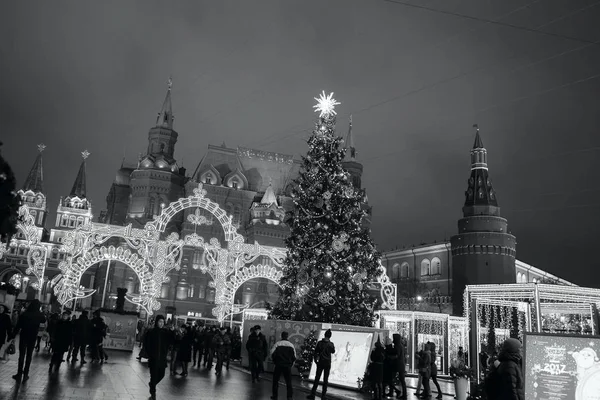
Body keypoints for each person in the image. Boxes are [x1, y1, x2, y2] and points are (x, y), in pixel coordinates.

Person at [10, 299, 46, 381]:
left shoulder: (24, 314)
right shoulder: (39, 315)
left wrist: (13, 335)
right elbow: (44, 320)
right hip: (32, 337)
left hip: (24, 336)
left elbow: (18, 326)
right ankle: (26, 374)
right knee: (29, 356)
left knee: (21, 355)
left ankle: (19, 374)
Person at [144, 315, 173, 399]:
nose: (161, 323)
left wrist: (172, 332)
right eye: (160, 322)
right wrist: (150, 354)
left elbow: (172, 341)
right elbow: (146, 343)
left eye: (163, 322)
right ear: (157, 322)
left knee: (162, 374)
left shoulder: (165, 332)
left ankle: (152, 384)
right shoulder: (151, 332)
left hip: (162, 358)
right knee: (153, 375)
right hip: (154, 358)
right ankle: (153, 393)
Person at [307, 329, 336, 400]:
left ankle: (312, 394)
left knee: (317, 378)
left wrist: (316, 361)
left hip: (320, 363)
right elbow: (333, 351)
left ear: (324, 335)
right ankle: (323, 396)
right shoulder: (331, 344)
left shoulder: (320, 343)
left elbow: (315, 352)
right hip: (328, 363)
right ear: (330, 336)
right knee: (325, 380)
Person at [271, 331, 296, 400]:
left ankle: (275, 396)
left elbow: (272, 354)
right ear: (287, 336)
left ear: (281, 336)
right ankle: (289, 396)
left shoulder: (277, 344)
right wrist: (291, 364)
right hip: (287, 366)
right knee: (288, 382)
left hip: (278, 365)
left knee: (275, 381)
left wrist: (275, 362)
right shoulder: (291, 345)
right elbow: (294, 357)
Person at [392, 334, 407, 399]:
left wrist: (390, 357)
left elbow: (397, 355)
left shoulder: (397, 346)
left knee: (391, 378)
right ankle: (404, 394)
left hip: (398, 364)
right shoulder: (401, 346)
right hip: (401, 364)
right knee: (402, 380)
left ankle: (396, 391)